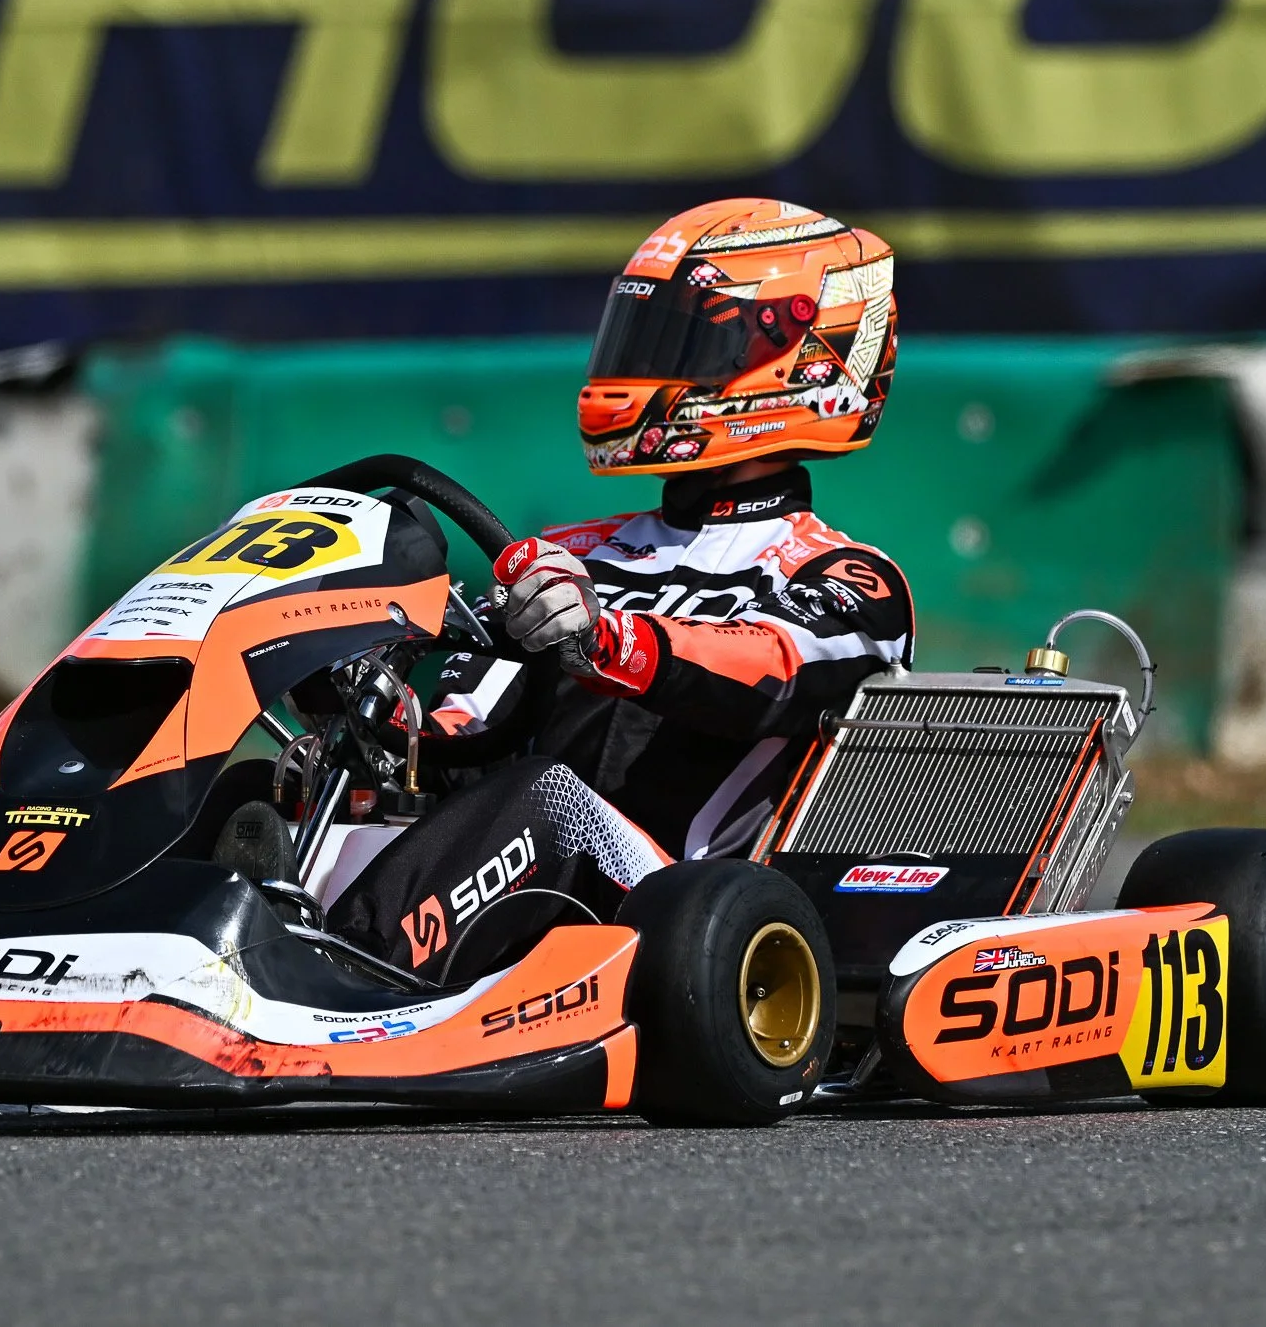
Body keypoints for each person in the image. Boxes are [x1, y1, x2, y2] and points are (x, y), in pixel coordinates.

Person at [323, 198, 914, 978]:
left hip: (688, 910)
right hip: (534, 883)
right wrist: (386, 723)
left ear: (798, 359)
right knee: (288, 789)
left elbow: (768, 669)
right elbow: (470, 732)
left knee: (551, 798)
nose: (648, 365)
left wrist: (613, 639)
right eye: (645, 338)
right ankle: (184, 950)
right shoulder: (575, 553)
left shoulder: (843, 575)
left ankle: (343, 975)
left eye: (687, 343)